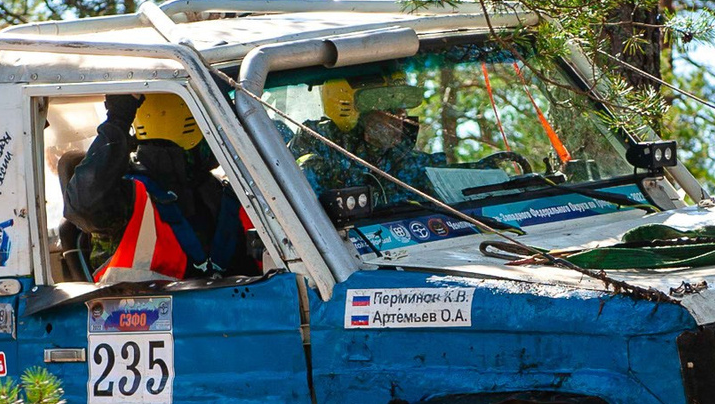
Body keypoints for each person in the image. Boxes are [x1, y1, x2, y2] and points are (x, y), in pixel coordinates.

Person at [61, 92, 253, 282]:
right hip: (134, 311)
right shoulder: (129, 197)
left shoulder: (220, 192)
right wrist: (118, 120)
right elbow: (84, 205)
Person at [297, 77, 449, 197]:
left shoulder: (408, 162)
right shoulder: (316, 143)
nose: (400, 118)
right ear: (361, 116)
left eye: (402, 110)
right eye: (390, 110)